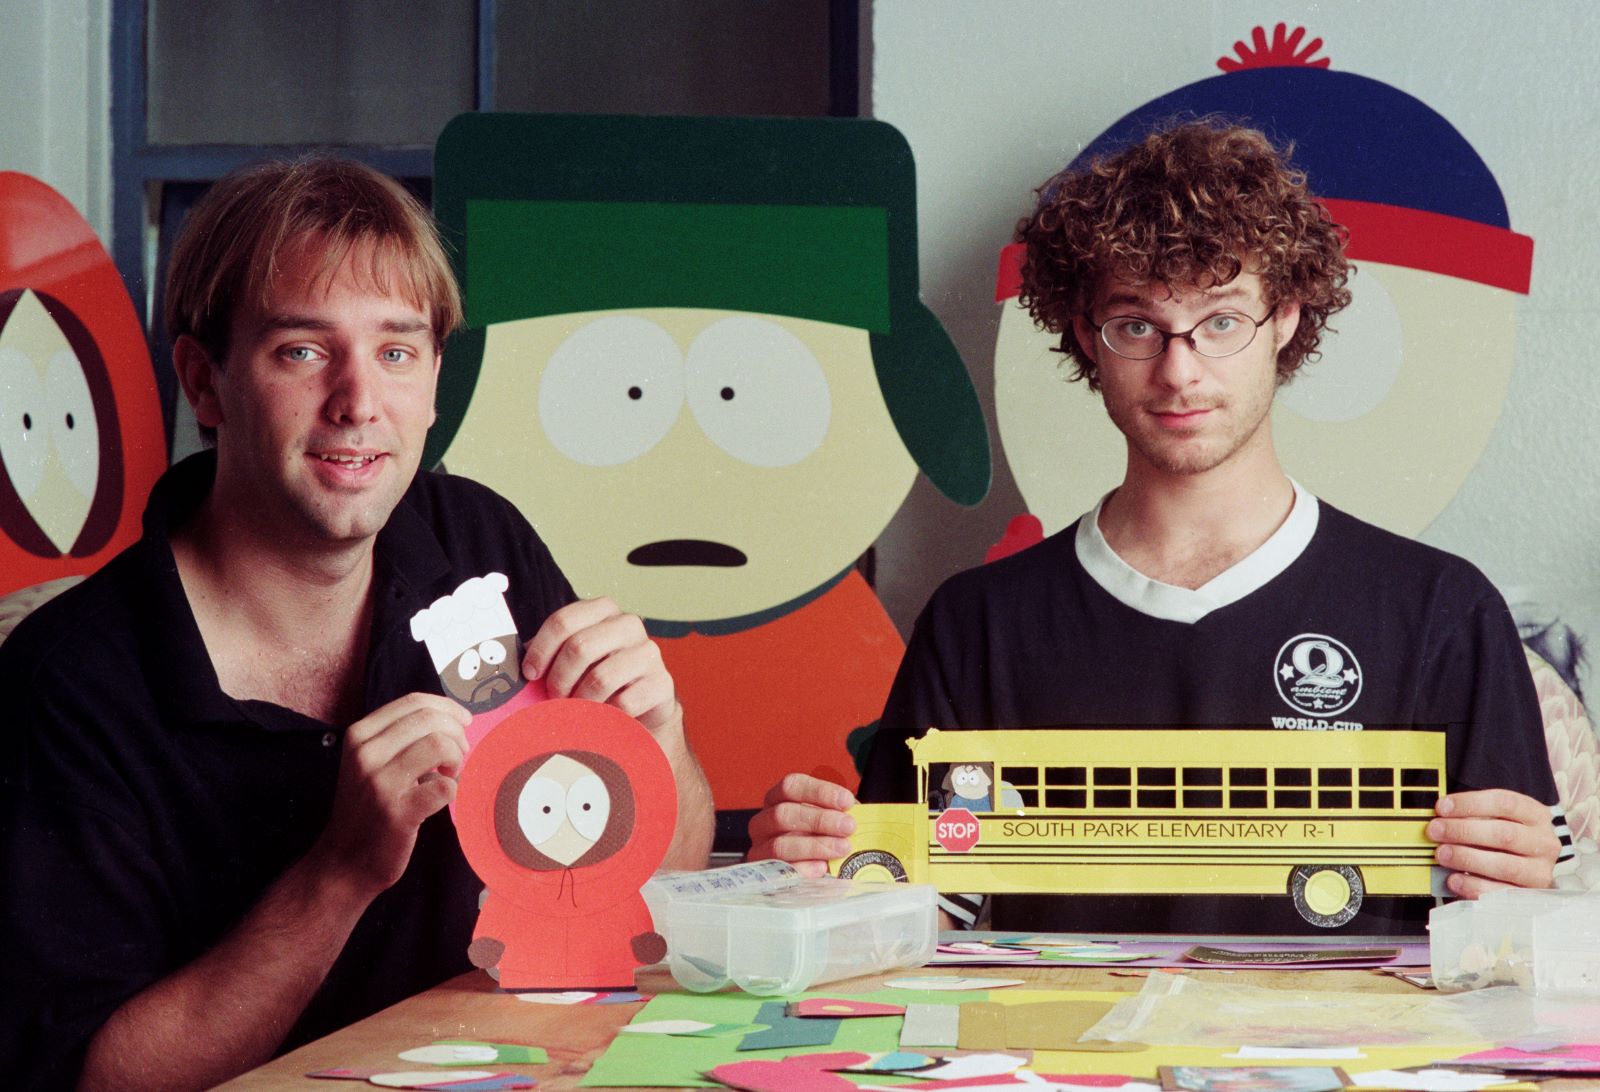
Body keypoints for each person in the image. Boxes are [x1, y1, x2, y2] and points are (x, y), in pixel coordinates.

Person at [748, 119, 1572, 934]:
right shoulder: (978, 623)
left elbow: (1522, 927)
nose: (1180, 371)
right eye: (1137, 325)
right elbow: (914, 911)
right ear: (1087, 336)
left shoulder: (1440, 610)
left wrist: (1525, 887)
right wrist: (815, 880)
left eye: (1222, 321)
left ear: (1285, 317)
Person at [0, 158, 712, 1091]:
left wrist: (658, 738)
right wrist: (338, 873)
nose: (359, 402)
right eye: (302, 351)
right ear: (203, 383)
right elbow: (97, 1079)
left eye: (396, 352)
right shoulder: (68, 685)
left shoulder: (478, 542)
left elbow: (649, 873)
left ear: (435, 380)